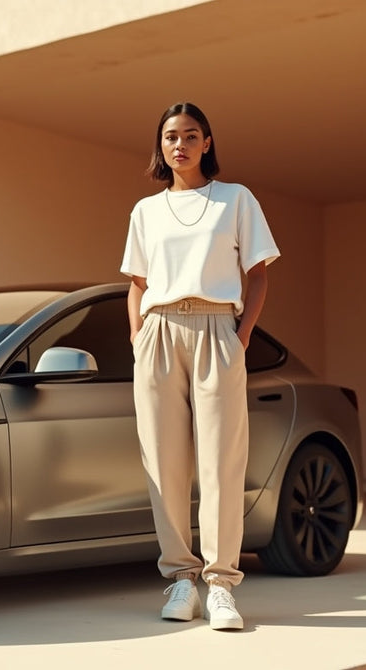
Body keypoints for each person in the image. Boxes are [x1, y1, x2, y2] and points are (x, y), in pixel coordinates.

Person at [120, 102, 279, 631]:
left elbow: (257, 275)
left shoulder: (235, 199)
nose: (180, 144)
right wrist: (139, 338)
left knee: (220, 463)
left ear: (207, 142)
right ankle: (180, 581)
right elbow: (137, 284)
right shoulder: (146, 211)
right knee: (164, 465)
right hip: (159, 330)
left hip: (218, 330)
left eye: (191, 135)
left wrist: (242, 335)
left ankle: (221, 586)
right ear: (160, 146)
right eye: (170, 136)